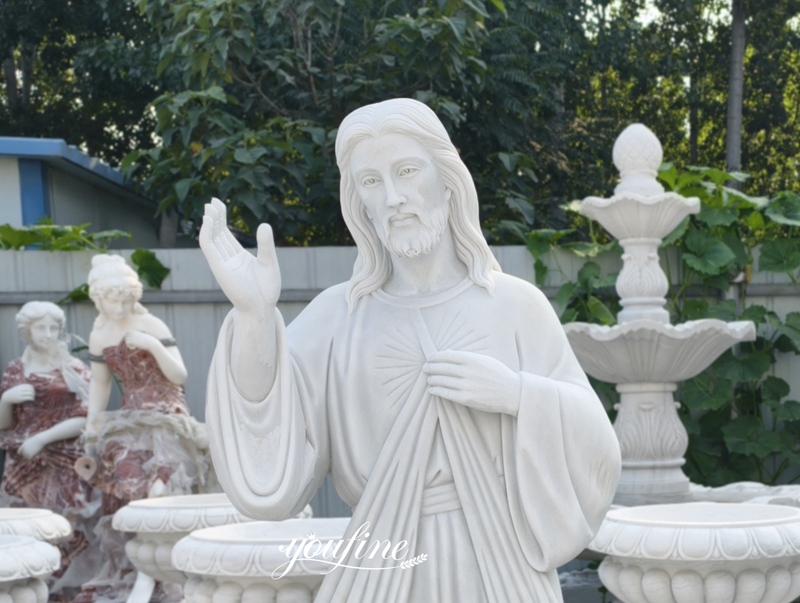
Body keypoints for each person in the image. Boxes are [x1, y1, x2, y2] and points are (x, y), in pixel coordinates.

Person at [201, 98, 621, 602]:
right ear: (358, 201)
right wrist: (253, 316)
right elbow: (267, 416)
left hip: (499, 567)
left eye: (406, 171)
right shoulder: (338, 316)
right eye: (371, 181)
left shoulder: (515, 306)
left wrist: (517, 395)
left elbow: (596, 444)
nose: (394, 197)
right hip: (380, 567)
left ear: (447, 178)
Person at [75, 254, 210, 603]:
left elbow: (179, 375)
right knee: (126, 484)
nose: (119, 306)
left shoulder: (152, 325)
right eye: (111, 299)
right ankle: (142, 571)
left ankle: (160, 574)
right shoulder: (99, 335)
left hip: (166, 413)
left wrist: (151, 345)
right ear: (98, 298)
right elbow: (100, 385)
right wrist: (91, 427)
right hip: (129, 418)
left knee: (161, 486)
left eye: (124, 298)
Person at [0, 301, 98, 602]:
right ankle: (31, 590)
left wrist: (42, 438)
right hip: (23, 463)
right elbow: (5, 425)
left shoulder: (72, 367)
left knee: (67, 526)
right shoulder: (16, 369)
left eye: (54, 328)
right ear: (26, 331)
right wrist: (5, 400)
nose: (49, 333)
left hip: (65, 460)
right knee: (26, 527)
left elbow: (87, 416)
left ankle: (68, 594)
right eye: (41, 327)